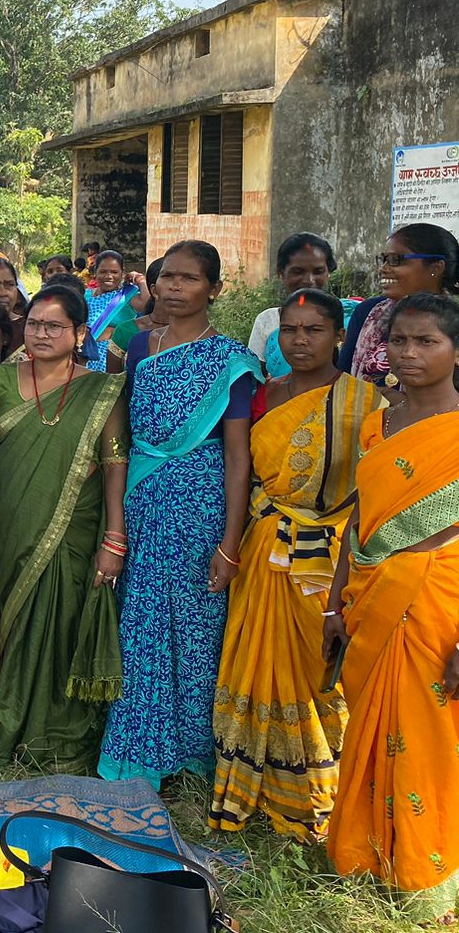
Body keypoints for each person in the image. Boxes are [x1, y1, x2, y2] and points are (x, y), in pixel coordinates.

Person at [208, 289, 383, 841]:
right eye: (289, 329)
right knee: (256, 656)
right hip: (265, 546)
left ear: (339, 336)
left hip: (329, 556)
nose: (299, 340)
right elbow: (242, 469)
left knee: (320, 668)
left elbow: (372, 490)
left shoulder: (366, 402)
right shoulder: (263, 394)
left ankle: (322, 790)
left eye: (313, 330)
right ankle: (256, 784)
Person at [99, 240, 261, 786]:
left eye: (189, 278)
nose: (173, 286)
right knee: (140, 618)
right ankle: (141, 745)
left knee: (197, 623)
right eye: (167, 276)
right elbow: (120, 429)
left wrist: (230, 543)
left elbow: (238, 457)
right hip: (142, 497)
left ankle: (194, 746)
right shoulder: (138, 346)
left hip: (201, 501)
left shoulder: (231, 361)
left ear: (214, 289)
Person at [325, 293, 459, 922]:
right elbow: (359, 520)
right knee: (372, 727)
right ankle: (367, 852)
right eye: (399, 340)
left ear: (456, 351)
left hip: (438, 602)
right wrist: (334, 604)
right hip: (369, 595)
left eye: (426, 341)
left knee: (428, 736)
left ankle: (427, 874)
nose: (408, 353)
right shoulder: (378, 425)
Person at [0, 286, 127, 772]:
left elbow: (114, 464)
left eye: (54, 326)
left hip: (74, 526)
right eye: (34, 324)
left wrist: (114, 537)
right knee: (9, 618)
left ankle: (49, 734)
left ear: (79, 333)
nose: (40, 334)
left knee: (59, 622)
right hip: (7, 519)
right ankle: (4, 722)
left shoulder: (103, 389)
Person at [339, 222, 459, 385]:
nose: (383, 268)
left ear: (436, 268)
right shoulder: (368, 313)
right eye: (383, 259)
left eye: (396, 260)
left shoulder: (453, 321)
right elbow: (343, 377)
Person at [246, 233, 340, 380]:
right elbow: (256, 377)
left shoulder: (350, 317)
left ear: (329, 272)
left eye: (318, 271)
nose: (309, 280)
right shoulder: (267, 320)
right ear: (281, 273)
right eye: (298, 272)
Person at [83, 251, 148, 371]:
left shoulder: (126, 296)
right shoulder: (85, 295)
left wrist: (140, 280)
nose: (109, 276)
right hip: (84, 357)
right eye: (103, 271)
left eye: (114, 272)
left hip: (111, 359)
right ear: (95, 272)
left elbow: (147, 305)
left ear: (122, 273)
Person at [113, 256, 168, 357]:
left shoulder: (195, 332)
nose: (178, 287)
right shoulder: (126, 331)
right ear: (154, 290)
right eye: (170, 281)